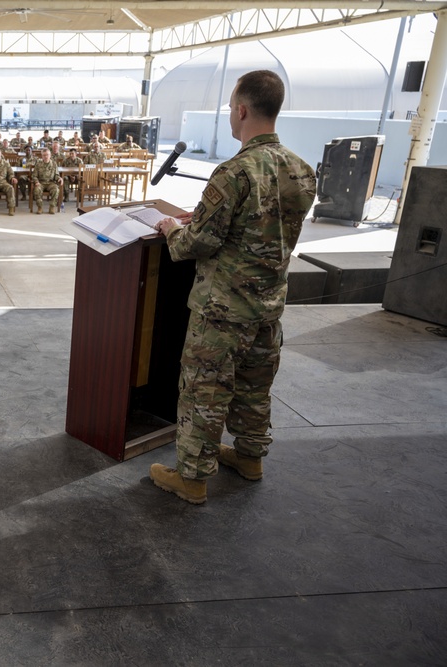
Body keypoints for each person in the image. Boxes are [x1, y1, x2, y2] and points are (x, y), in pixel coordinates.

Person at [149, 69, 318, 505]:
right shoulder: (302, 170)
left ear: (241, 110)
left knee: (204, 391)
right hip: (268, 309)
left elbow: (197, 243)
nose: (230, 114)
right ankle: (249, 457)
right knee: (254, 387)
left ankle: (191, 477)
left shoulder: (234, 172)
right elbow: (262, 230)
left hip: (223, 311)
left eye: (230, 107)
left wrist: (171, 228)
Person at [31, 148, 63, 215]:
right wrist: (36, 182)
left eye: (47, 155)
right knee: (37, 190)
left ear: (50, 155)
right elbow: (34, 175)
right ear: (42, 156)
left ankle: (52, 207)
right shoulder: (38, 164)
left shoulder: (54, 164)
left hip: (51, 183)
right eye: (44, 155)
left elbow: (56, 175)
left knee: (56, 190)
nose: (46, 156)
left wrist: (59, 178)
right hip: (41, 182)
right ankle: (40, 207)